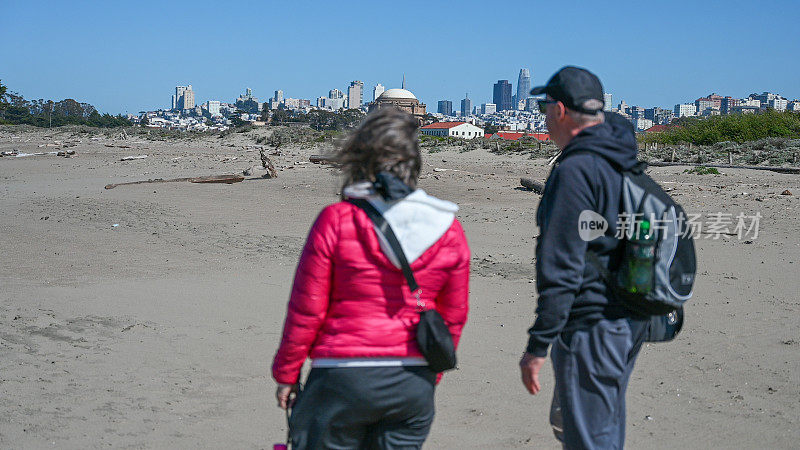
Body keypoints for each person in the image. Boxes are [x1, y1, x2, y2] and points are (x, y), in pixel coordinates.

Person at [271, 108, 470, 449]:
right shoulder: (448, 227)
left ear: (360, 159)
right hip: (412, 383)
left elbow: (307, 310)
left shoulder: (336, 220)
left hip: (341, 376)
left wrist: (287, 374)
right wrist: (430, 374)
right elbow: (452, 316)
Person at [518, 66, 650, 449]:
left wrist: (538, 346)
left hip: (592, 324)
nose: (543, 121)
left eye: (545, 110)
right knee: (603, 430)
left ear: (560, 110)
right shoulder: (622, 159)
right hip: (630, 317)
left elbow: (561, 267)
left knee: (589, 439)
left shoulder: (576, 170)